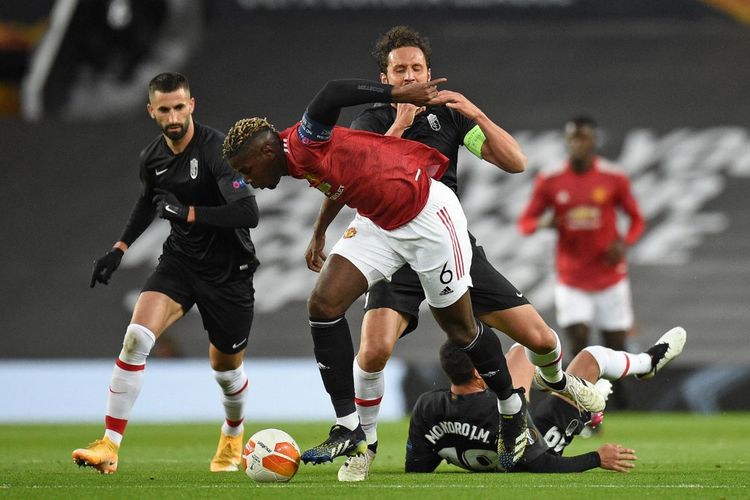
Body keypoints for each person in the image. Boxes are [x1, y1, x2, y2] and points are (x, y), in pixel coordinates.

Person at [310, 26, 602, 482]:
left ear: (430, 73)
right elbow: (355, 176)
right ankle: (363, 445)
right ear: (385, 76)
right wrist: (400, 124)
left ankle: (560, 382)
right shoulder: (369, 121)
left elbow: (515, 161)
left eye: (417, 68)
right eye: (399, 69)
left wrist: (476, 114)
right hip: (392, 244)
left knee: (541, 340)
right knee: (372, 350)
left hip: (449, 243)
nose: (409, 76)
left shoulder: (449, 118)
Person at [223, 76, 547, 473]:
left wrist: (399, 94)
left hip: (428, 216)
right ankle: (348, 427)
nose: (247, 180)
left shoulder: (304, 141)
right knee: (323, 305)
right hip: (380, 224)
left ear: (266, 151)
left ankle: (512, 411)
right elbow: (337, 185)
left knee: (460, 330)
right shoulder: (293, 158)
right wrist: (320, 231)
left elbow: (331, 92)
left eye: (246, 168)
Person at [72, 72, 260, 474]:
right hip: (180, 263)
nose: (173, 116)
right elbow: (147, 203)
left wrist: (189, 213)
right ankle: (110, 445)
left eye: (179, 107)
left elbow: (248, 212)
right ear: (151, 111)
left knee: (226, 371)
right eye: (164, 109)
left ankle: (232, 434)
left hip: (229, 272)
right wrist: (118, 250)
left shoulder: (218, 150)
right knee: (136, 338)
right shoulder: (152, 158)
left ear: (192, 105)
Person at [405, 327, 686, 473]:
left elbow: (418, 466)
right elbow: (539, 463)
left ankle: (562, 388)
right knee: (587, 356)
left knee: (519, 355)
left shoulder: (428, 406)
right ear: (479, 372)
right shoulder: (501, 406)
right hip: (538, 442)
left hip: (501, 441)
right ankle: (646, 363)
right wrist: (595, 458)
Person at [518, 116, 646, 360]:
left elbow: (637, 219)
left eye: (582, 138)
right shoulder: (551, 179)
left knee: (616, 350)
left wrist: (625, 243)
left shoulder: (613, 177)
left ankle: (619, 397)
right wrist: (545, 223)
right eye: (571, 138)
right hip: (571, 277)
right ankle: (581, 396)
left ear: (594, 141)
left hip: (609, 275)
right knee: (579, 341)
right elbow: (525, 223)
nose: (576, 144)